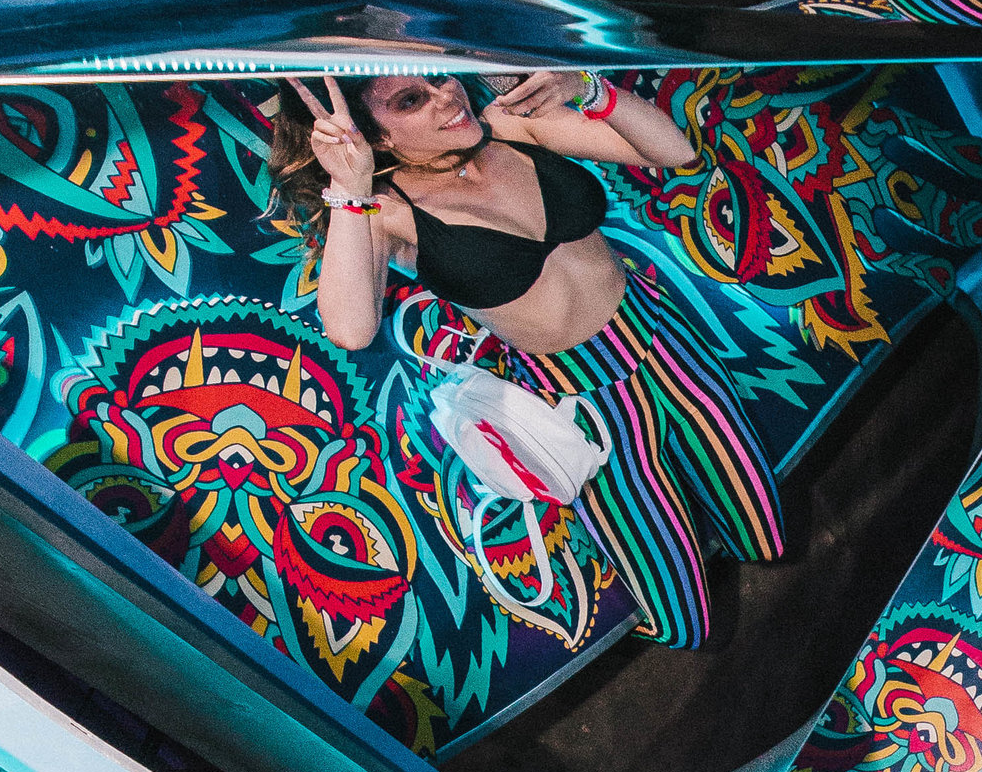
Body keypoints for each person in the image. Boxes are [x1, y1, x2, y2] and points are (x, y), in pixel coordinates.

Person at [271, 69, 789, 648]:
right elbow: (350, 328)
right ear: (377, 136)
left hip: (665, 341)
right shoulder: (383, 210)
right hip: (584, 403)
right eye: (412, 100)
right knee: (686, 623)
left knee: (766, 539)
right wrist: (349, 187)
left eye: (439, 78)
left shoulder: (510, 125)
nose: (447, 97)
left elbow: (673, 151)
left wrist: (586, 89)